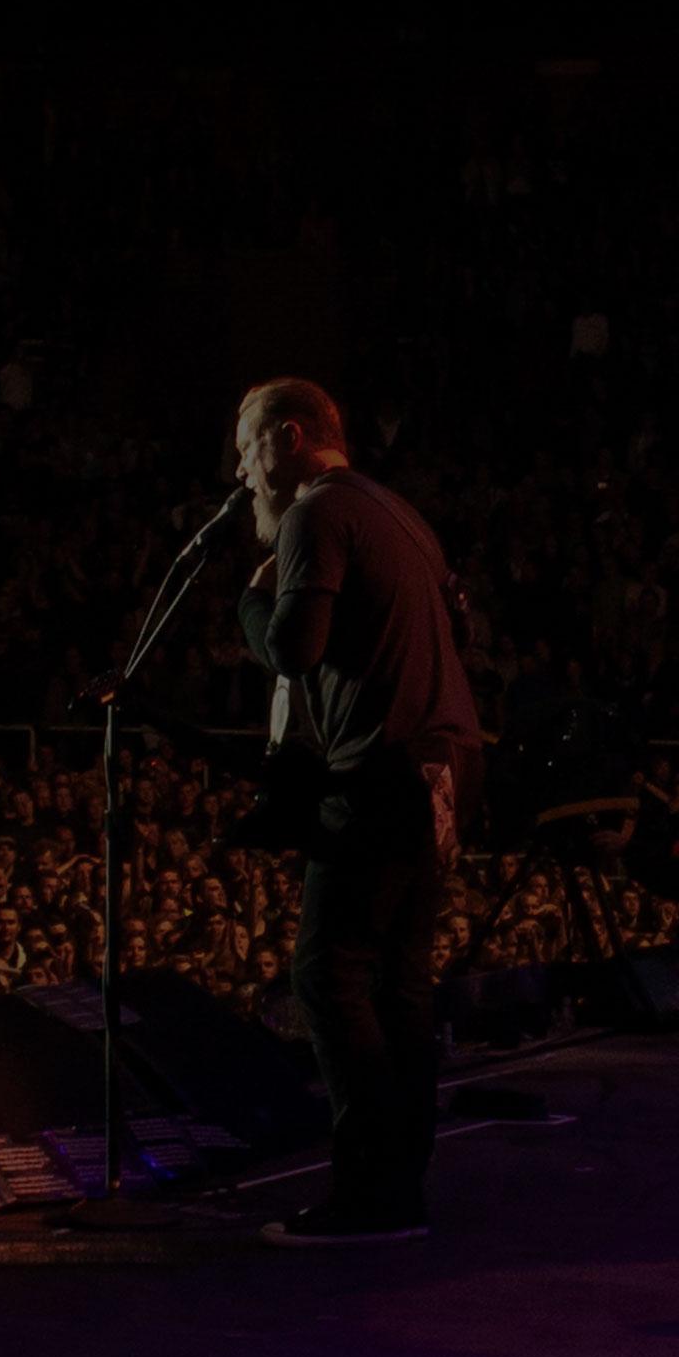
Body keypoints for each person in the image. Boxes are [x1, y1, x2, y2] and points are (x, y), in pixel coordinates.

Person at [230, 377, 481, 1245]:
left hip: (383, 768)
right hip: (443, 764)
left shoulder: (315, 513)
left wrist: (252, 603)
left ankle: (367, 1193)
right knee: (397, 984)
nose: (240, 472)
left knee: (326, 976)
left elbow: (296, 650)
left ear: (287, 437)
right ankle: (397, 1191)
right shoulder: (398, 512)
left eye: (245, 447)